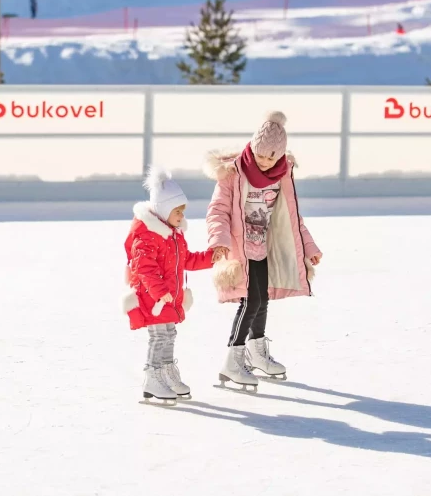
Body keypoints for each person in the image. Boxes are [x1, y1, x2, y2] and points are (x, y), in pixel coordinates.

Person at [204, 111, 322, 392]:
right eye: (260, 155)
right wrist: (219, 241)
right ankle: (233, 360)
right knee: (250, 301)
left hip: (265, 247)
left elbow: (291, 217)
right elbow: (217, 210)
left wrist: (309, 247)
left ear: (280, 156)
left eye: (271, 157)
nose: (264, 161)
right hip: (240, 248)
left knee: (262, 300)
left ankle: (256, 352)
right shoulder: (233, 173)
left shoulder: (282, 176)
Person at [123, 167, 214, 405]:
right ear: (164, 210)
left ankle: (166, 372)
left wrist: (211, 257)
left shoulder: (173, 235)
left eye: (183, 211)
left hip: (168, 298)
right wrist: (160, 292)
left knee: (169, 335)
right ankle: (152, 377)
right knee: (159, 337)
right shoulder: (147, 235)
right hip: (153, 298)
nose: (181, 216)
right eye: (177, 211)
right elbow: (144, 268)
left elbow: (187, 260)